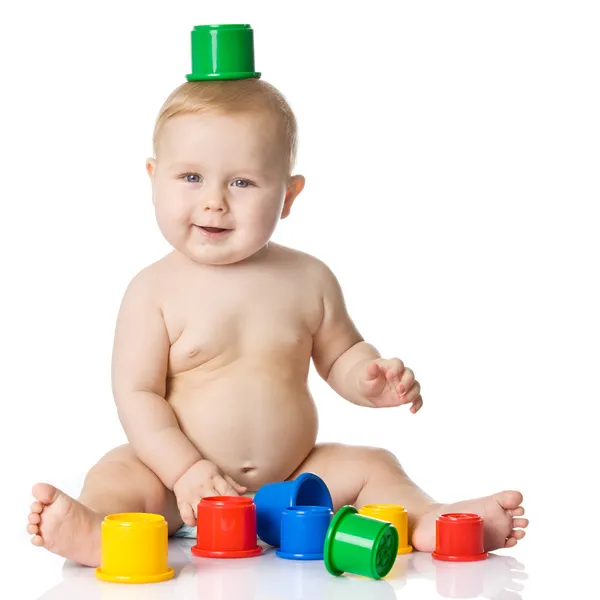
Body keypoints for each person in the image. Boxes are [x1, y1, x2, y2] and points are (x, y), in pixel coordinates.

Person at [26, 78, 528, 566]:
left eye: (242, 182)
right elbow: (137, 395)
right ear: (154, 177)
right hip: (175, 484)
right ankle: (99, 530)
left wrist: (369, 380)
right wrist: (185, 471)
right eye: (191, 177)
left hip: (295, 480)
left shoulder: (309, 278)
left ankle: (433, 521)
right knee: (117, 473)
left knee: (377, 465)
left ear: (288, 196)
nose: (214, 200)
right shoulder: (153, 290)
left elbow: (342, 354)